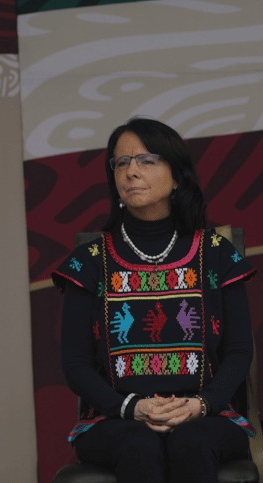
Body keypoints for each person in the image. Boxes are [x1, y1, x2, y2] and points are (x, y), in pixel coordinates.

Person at [52, 117, 256, 482]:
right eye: (121, 162)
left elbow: (240, 350)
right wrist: (131, 407)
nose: (131, 172)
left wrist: (201, 404)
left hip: (206, 413)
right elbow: (75, 363)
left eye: (146, 160)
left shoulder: (216, 253)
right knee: (138, 444)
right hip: (116, 417)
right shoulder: (89, 261)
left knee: (191, 442)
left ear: (176, 176)